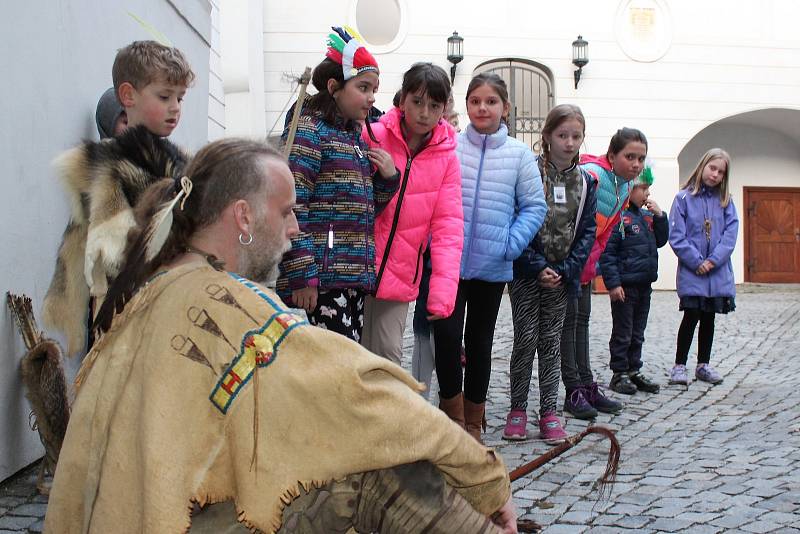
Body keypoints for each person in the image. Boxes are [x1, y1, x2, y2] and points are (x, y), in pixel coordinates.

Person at [44, 138, 517, 534]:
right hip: (182, 520)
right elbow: (365, 395)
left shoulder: (153, 289)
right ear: (244, 217)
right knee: (383, 470)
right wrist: (484, 477)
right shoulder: (228, 303)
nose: (295, 226)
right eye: (288, 210)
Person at [42, 40, 195, 356]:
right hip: (121, 307)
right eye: (164, 96)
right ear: (128, 96)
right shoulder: (102, 163)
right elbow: (112, 250)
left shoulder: (182, 162)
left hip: (172, 301)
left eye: (180, 98)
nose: (175, 107)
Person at [433, 73, 547, 442]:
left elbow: (533, 206)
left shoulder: (519, 156)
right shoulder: (450, 146)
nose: (483, 107)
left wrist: (510, 244)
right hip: (449, 263)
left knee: (480, 342)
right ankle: (451, 415)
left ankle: (473, 420)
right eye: (475, 101)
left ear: (505, 108)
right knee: (447, 338)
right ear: (466, 106)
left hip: (492, 265)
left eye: (491, 101)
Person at [277, 27, 399, 342]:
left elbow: (359, 210)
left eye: (374, 88)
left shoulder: (352, 136)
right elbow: (290, 205)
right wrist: (303, 273)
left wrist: (386, 182)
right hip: (318, 285)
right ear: (334, 87)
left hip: (348, 279)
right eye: (363, 87)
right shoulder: (309, 132)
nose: (372, 97)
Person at [503, 104, 597, 444]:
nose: (569, 143)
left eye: (576, 136)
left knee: (552, 343)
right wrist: (535, 264)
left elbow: (587, 230)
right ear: (547, 136)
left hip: (562, 275)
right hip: (527, 272)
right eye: (562, 135)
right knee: (526, 339)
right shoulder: (528, 172)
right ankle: (517, 409)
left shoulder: (586, 182)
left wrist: (566, 269)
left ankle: (549, 412)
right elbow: (515, 218)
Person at [360, 62, 463, 366]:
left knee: (388, 357)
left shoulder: (446, 157)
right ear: (403, 99)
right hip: (359, 265)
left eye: (434, 106)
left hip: (402, 273)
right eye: (417, 102)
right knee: (351, 353)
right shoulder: (373, 135)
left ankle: (386, 416)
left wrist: (443, 292)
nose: (424, 113)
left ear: (444, 109)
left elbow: (448, 227)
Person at [561, 127, 649, 419]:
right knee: (568, 326)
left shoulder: (624, 187)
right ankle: (573, 388)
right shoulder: (592, 176)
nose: (636, 164)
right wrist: (573, 264)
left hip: (584, 265)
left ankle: (586, 384)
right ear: (612, 156)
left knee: (582, 323)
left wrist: (590, 266)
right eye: (630, 157)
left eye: (641, 158)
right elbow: (568, 223)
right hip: (566, 263)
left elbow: (605, 233)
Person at [668, 148, 738, 385]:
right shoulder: (683, 199)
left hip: (716, 272)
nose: (715, 174)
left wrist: (713, 261)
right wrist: (697, 261)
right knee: (691, 316)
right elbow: (677, 235)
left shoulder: (726, 202)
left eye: (721, 171)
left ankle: (703, 365)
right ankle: (679, 365)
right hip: (693, 271)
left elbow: (730, 234)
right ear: (703, 166)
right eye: (713, 168)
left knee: (709, 318)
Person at [599, 167, 668, 395]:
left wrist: (660, 217)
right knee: (623, 331)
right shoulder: (619, 216)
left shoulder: (646, 217)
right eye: (644, 189)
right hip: (625, 286)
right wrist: (613, 284)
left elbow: (660, 241)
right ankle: (619, 373)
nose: (647, 194)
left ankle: (633, 370)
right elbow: (608, 253)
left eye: (648, 189)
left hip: (644, 285)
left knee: (638, 331)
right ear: (630, 189)